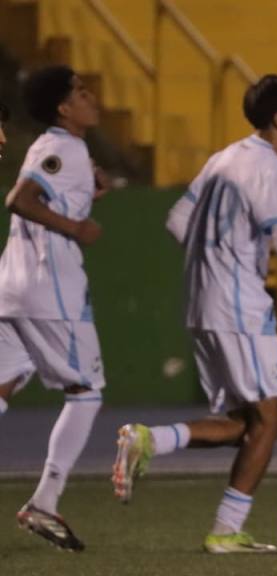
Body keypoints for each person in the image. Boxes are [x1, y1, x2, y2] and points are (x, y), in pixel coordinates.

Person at [112, 74, 277, 553]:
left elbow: (176, 220)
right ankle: (221, 528)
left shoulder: (222, 158)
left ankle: (154, 442)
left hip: (202, 302)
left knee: (248, 422)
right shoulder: (272, 169)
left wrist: (213, 258)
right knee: (270, 420)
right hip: (239, 305)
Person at [0, 66, 109, 552]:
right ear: (64, 108)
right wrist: (75, 228)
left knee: (5, 382)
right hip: (50, 292)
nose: (92, 97)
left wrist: (86, 194)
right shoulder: (66, 149)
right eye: (81, 93)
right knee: (86, 392)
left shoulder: (54, 147)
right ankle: (45, 501)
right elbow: (20, 200)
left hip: (12, 287)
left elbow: (45, 191)